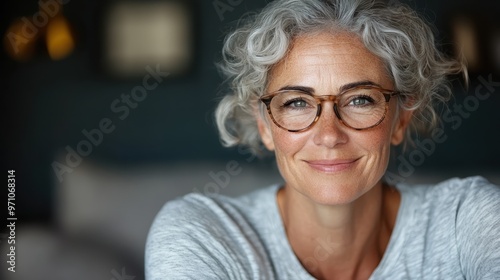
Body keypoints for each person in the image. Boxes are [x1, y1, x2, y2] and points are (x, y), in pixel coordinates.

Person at [145, 0, 500, 279]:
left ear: (400, 119)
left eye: (360, 99)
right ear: (265, 125)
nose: (329, 135)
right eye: (297, 102)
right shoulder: (205, 235)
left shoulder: (465, 221)